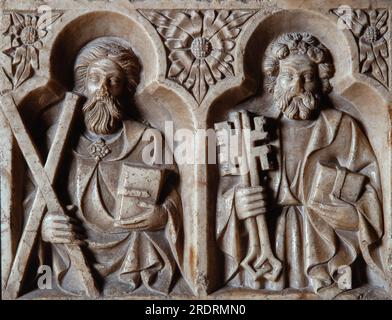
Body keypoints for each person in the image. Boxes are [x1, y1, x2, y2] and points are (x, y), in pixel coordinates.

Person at [217, 32, 384, 298]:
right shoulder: (249, 129)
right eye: (289, 76)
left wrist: (349, 208)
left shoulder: (342, 127)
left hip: (328, 236)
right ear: (274, 81)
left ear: (321, 81)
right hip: (268, 237)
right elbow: (221, 192)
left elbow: (372, 187)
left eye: (307, 77)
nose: (298, 86)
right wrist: (236, 204)